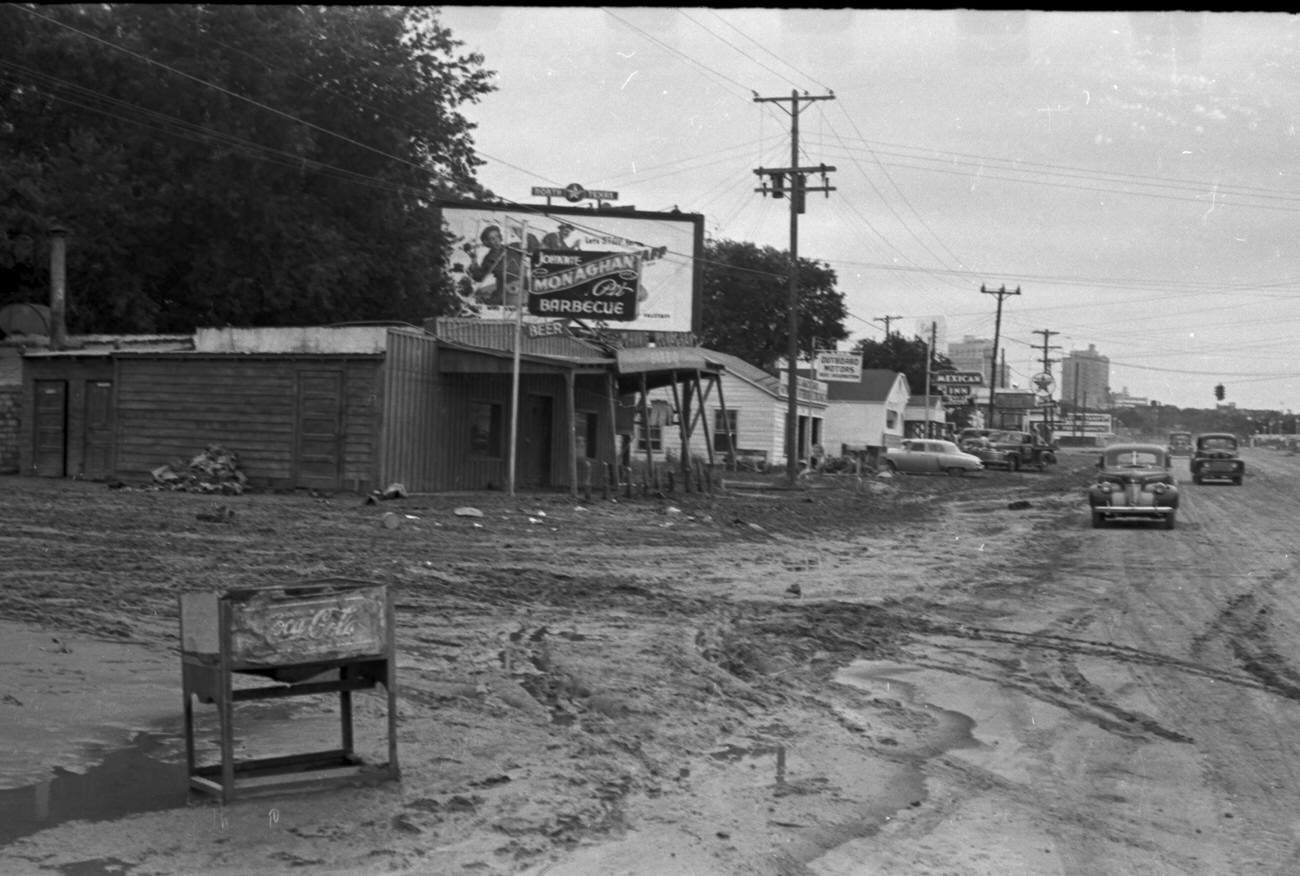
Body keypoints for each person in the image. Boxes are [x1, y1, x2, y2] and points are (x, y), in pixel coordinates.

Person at [464, 225, 525, 306]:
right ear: (487, 243)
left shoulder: (513, 247)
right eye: (492, 239)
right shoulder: (489, 258)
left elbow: (530, 246)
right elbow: (479, 277)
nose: (496, 240)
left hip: (522, 286)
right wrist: (474, 260)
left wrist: (521, 234)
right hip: (503, 291)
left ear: (500, 237)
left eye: (497, 236)